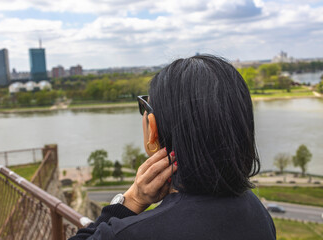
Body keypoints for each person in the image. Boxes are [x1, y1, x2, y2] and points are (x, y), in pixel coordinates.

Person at [70, 55, 276, 240]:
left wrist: (131, 200)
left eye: (145, 107)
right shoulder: (257, 212)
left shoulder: (131, 233)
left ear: (153, 129)